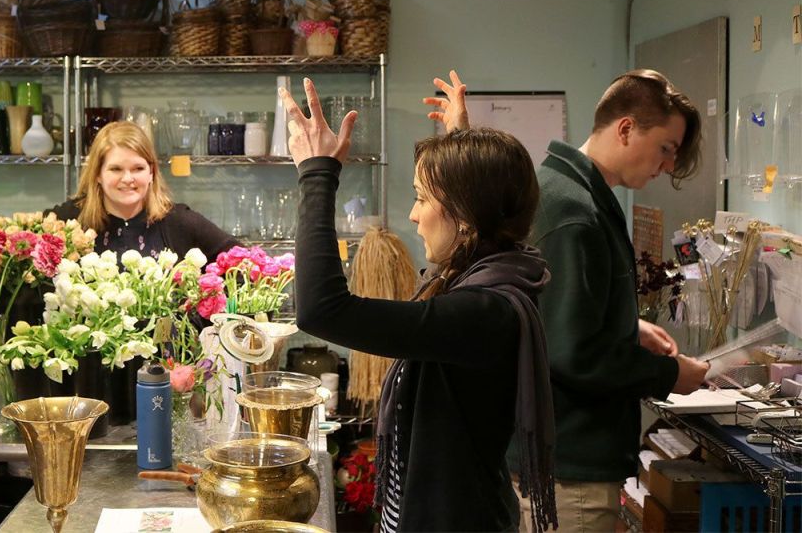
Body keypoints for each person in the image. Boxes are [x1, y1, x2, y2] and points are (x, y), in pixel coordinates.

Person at [428, 69, 710, 532]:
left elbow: (546, 306)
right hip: (569, 468)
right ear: (625, 129)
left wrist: (625, 325)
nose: (666, 167)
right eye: (665, 148)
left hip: (556, 460)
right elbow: (570, 354)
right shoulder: (573, 211)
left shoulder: (564, 190)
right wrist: (669, 375)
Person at [280, 78, 558, 532]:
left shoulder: (485, 313)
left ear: (466, 218)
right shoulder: (489, 275)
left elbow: (322, 309)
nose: (412, 214)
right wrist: (459, 151)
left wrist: (317, 174)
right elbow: (471, 219)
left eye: (421, 198)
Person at [50, 120, 236, 260]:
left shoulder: (178, 221)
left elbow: (245, 262)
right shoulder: (68, 220)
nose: (128, 179)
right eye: (116, 169)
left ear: (151, 172)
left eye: (138, 168)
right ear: (98, 174)